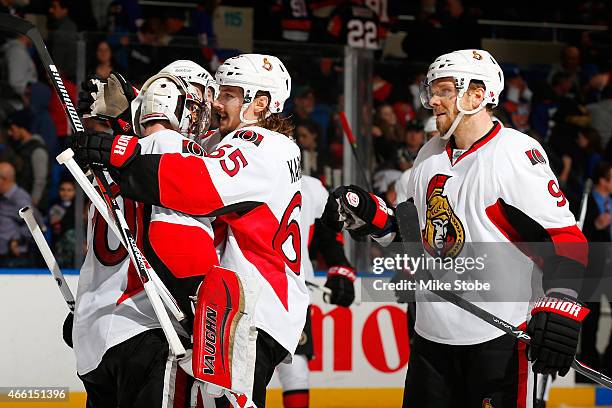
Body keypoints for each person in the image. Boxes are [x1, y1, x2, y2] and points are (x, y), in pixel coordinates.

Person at [323, 49, 589, 407]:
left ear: (479, 95)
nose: (433, 99)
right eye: (432, 89)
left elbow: (567, 240)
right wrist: (374, 217)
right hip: (431, 342)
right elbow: (415, 238)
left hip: (500, 340)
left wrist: (561, 303)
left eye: (445, 90)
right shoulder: (430, 153)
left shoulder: (513, 153)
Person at [72, 53, 309, 408]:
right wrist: (130, 115)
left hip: (252, 310)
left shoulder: (261, 146)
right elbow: (176, 141)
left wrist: (120, 149)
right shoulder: (239, 142)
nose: (216, 103)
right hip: (240, 308)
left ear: (260, 103)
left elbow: (196, 183)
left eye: (228, 94)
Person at [70, 71, 219, 408]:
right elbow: (180, 237)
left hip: (93, 338)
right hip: (148, 324)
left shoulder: (105, 169)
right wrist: (201, 308)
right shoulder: (174, 146)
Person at [276, 175, 356, 408]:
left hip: (292, 293)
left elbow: (327, 235)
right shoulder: (240, 170)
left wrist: (340, 267)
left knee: (296, 368)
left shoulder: (311, 187)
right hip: (249, 289)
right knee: (243, 369)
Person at [579, 161, 612, 379]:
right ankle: (589, 361)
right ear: (603, 181)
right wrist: (596, 227)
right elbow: (579, 233)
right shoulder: (586, 202)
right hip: (594, 265)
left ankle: (608, 361)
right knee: (591, 315)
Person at [5, 109, 50, 211]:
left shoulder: (37, 149)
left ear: (22, 128)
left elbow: (40, 181)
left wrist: (32, 206)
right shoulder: (20, 148)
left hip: (32, 208)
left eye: (12, 128)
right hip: (20, 204)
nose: (10, 133)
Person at [0, 161, 35, 267]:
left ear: (4, 179)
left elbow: (33, 222)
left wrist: (16, 239)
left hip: (14, 258)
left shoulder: (20, 198)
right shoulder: (3, 197)